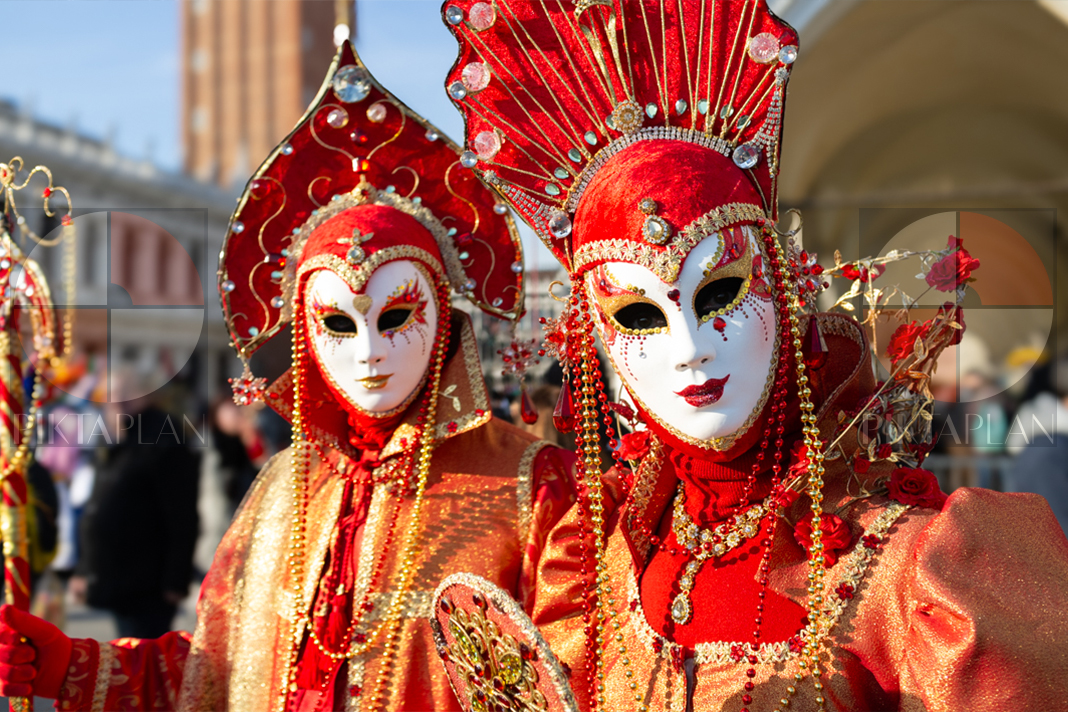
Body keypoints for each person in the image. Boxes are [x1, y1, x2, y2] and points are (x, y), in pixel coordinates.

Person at [429, 1, 1068, 710]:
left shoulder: (913, 577)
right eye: (639, 315)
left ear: (786, 295)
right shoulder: (596, 559)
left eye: (721, 294)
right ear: (596, 337)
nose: (690, 349)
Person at [0, 42, 575, 711]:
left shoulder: (535, 488)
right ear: (304, 331)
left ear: (444, 316)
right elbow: (215, 672)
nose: (367, 351)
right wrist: (63, 662)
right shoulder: (283, 490)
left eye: (396, 316)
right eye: (337, 322)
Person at [68, 383, 201, 639]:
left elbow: (181, 515)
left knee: (143, 660)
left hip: (147, 582)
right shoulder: (118, 438)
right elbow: (97, 506)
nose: (112, 405)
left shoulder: (162, 437)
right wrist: (85, 570)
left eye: (121, 396)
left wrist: (176, 579)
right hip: (117, 576)